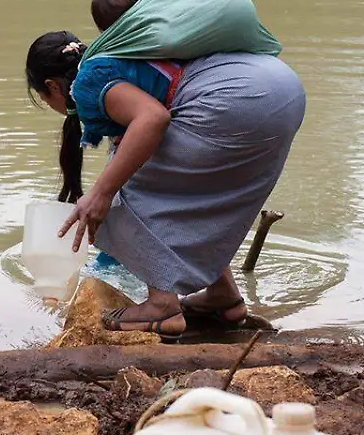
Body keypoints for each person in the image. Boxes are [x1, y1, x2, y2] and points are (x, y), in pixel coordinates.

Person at [24, 27, 305, 340]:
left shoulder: (93, 83)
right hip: (280, 88)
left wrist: (101, 195)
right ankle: (223, 297)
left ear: (51, 86)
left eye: (43, 98)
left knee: (118, 194)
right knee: (190, 194)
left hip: (238, 101)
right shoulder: (120, 61)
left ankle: (162, 307)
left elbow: (153, 119)